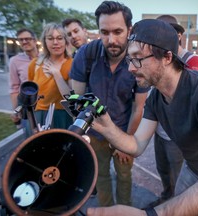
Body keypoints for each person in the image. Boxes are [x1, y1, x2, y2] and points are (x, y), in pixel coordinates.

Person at [87, 19, 198, 216]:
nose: (131, 68)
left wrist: (149, 214)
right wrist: (107, 127)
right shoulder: (155, 97)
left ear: (167, 57)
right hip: (192, 169)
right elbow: (137, 145)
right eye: (129, 59)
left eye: (138, 58)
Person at [70, 1, 149, 207]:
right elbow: (77, 101)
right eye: (104, 32)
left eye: (117, 31)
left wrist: (127, 143)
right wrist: (83, 134)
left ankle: (124, 210)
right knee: (100, 176)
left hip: (124, 129)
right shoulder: (85, 54)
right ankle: (106, 211)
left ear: (129, 30)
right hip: (95, 133)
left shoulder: (137, 59)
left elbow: (138, 107)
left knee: (124, 177)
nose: (111, 39)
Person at [143, 14, 198, 208]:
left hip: (178, 133)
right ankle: (166, 197)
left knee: (179, 175)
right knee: (163, 169)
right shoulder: (154, 56)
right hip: (160, 129)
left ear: (178, 35)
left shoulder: (192, 59)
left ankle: (177, 207)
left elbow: (189, 97)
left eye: (169, 32)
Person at [28, 22, 73, 132]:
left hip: (62, 117)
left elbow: (71, 98)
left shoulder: (72, 64)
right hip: (39, 117)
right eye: (50, 38)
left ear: (65, 41)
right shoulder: (35, 64)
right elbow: (30, 99)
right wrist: (33, 124)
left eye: (59, 38)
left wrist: (57, 74)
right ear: (44, 41)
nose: (55, 42)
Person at [8, 28, 39, 137]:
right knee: (31, 136)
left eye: (27, 39)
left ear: (35, 40)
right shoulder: (14, 61)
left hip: (46, 103)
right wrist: (16, 110)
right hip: (27, 104)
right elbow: (14, 87)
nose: (24, 42)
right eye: (21, 40)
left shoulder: (46, 57)